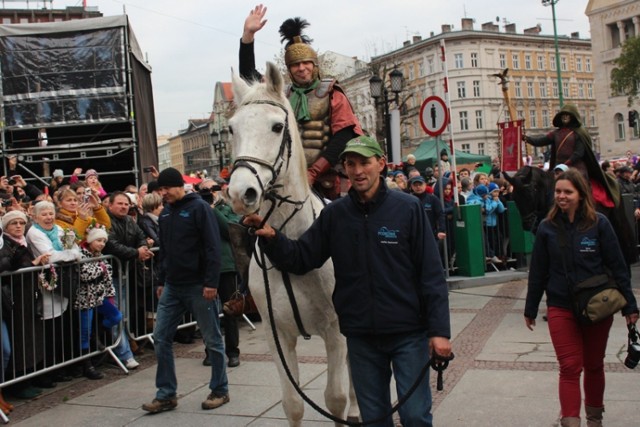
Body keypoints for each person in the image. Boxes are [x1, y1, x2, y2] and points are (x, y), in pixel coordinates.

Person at [243, 135, 451, 426]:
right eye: (350, 164)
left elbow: (431, 274)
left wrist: (439, 331)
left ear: (381, 164)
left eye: (365, 162)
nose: (358, 170)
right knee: (374, 418)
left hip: (408, 333)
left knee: (415, 415)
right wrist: (273, 238)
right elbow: (303, 257)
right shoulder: (335, 214)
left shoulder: (407, 208)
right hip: (361, 336)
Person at [524, 169, 639, 427]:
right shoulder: (546, 228)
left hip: (597, 307)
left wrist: (630, 305)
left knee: (594, 365)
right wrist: (530, 308)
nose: (562, 196)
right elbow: (538, 271)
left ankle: (595, 419)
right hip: (560, 307)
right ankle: (571, 422)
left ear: (581, 194)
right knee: (570, 366)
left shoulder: (599, 224)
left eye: (568, 192)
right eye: (558, 192)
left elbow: (618, 266)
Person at [239, 4, 363, 200]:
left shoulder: (332, 93)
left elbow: (344, 135)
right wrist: (248, 37)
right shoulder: (282, 94)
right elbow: (249, 79)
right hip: (287, 179)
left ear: (314, 66)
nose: (301, 68)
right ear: (289, 69)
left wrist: (312, 173)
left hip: (328, 179)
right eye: (296, 65)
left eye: (306, 63)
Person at [142, 168, 229, 414]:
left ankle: (220, 389)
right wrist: (162, 280)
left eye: (165, 189)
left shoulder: (200, 208)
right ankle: (166, 394)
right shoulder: (167, 213)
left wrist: (211, 282)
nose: (162, 194)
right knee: (160, 338)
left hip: (199, 286)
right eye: (159, 190)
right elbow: (166, 250)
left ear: (178, 186)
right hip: (172, 286)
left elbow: (213, 247)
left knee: (212, 339)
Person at [523, 104, 616, 209]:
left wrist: (566, 164)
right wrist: (526, 138)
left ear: (572, 117)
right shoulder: (556, 133)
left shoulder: (579, 133)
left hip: (576, 167)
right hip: (559, 167)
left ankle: (586, 207)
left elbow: (578, 153)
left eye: (567, 116)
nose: (565, 118)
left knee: (580, 184)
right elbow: (540, 141)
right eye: (563, 116)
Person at [0, 211, 50, 400]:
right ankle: (18, 384)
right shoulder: (5, 243)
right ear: (6, 226)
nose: (19, 226)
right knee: (19, 340)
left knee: (30, 338)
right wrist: (33, 263)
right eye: (14, 223)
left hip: (28, 296)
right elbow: (7, 266)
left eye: (21, 222)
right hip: (15, 298)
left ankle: (29, 377)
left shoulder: (22, 242)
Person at [103, 191, 151, 369]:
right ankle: (124, 353)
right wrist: (136, 253)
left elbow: (141, 237)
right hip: (111, 275)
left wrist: (143, 248)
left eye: (126, 204)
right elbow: (111, 245)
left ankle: (123, 348)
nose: (124, 207)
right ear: (110, 205)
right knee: (116, 315)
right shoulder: (106, 222)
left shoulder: (130, 221)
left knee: (124, 314)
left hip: (126, 273)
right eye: (120, 204)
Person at [199, 180, 242, 368]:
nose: (210, 192)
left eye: (213, 189)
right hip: (204, 266)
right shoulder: (197, 209)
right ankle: (210, 350)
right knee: (207, 312)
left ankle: (232, 352)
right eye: (205, 190)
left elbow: (230, 230)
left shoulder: (228, 208)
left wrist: (213, 209)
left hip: (225, 265)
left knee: (230, 310)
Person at [76, 223, 123, 380]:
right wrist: (101, 269)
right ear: (90, 241)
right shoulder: (81, 253)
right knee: (84, 331)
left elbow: (107, 276)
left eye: (104, 241)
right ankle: (87, 365)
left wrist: (110, 294)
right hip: (85, 297)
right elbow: (85, 275)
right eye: (98, 241)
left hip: (100, 296)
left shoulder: (101, 256)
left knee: (116, 316)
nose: (101, 244)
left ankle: (97, 335)